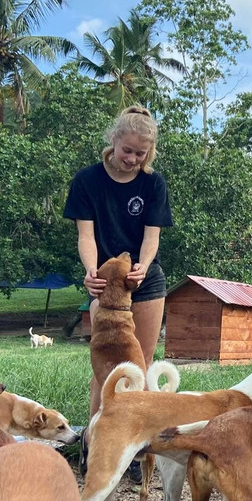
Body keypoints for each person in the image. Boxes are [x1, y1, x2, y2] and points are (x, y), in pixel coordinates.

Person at [64, 105, 173, 416]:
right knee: (105, 370)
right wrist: (91, 271)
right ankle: (94, 437)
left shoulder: (153, 183)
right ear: (113, 140)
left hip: (144, 279)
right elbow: (86, 236)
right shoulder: (87, 180)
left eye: (140, 153)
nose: (132, 159)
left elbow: (151, 237)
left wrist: (143, 267)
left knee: (141, 365)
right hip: (105, 282)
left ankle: (139, 439)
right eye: (127, 150)